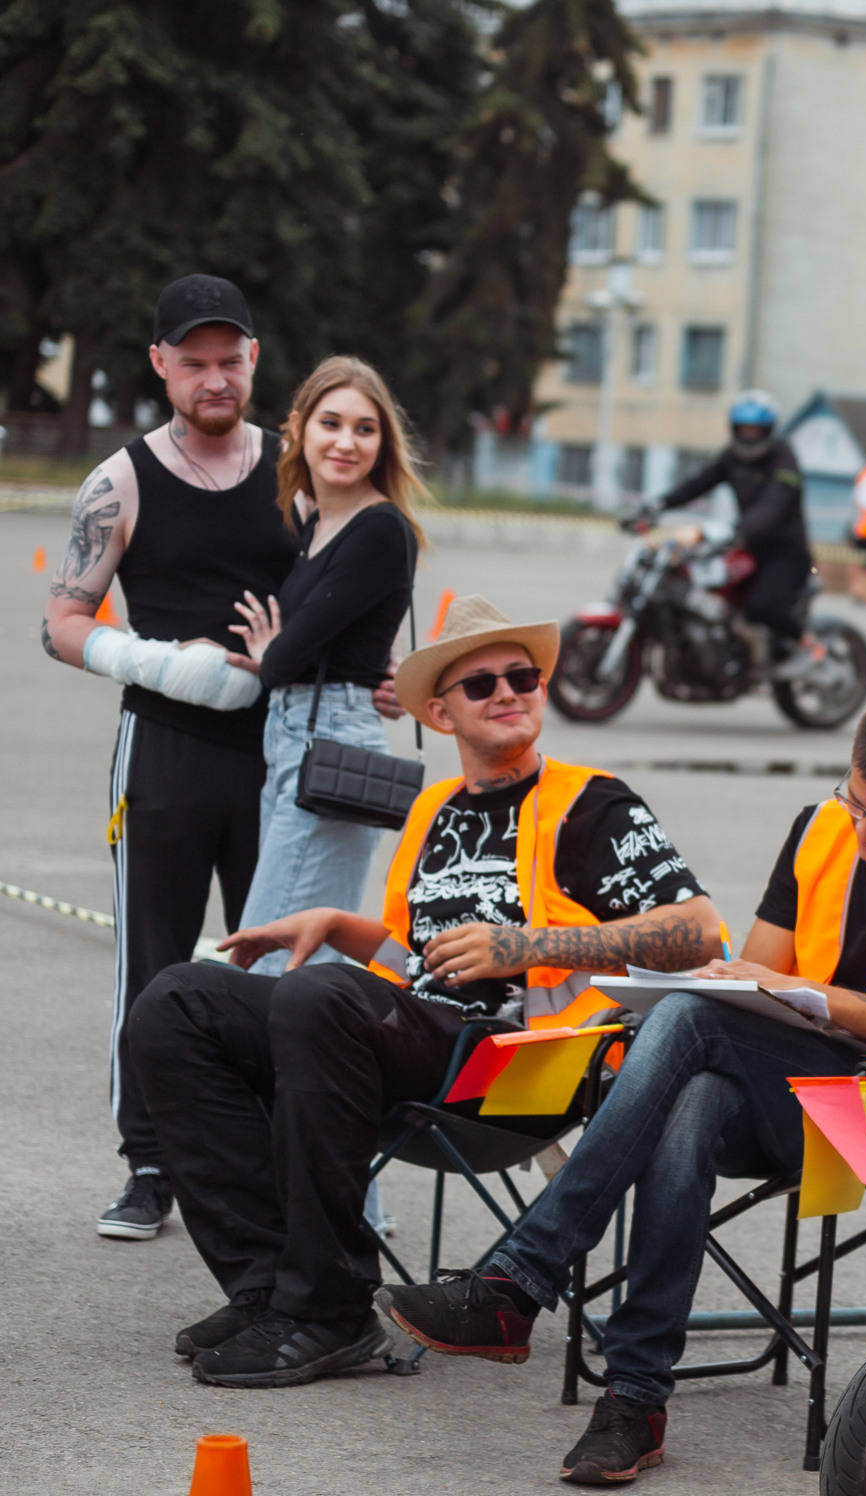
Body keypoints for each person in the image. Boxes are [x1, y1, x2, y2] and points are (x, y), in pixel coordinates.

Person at [378, 689, 866, 1485]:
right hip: (801, 1089)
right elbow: (744, 980)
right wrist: (770, 997)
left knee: (690, 1021)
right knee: (690, 1095)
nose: (864, 830)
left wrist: (816, 1002)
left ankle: (521, 1280)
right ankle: (634, 1396)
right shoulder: (818, 829)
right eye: (854, 802)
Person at [125, 597, 722, 1388]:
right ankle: (269, 1285)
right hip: (417, 1038)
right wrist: (340, 922)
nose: (509, 692)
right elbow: (419, 963)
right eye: (482, 685)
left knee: (320, 998)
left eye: (523, 676)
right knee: (176, 1002)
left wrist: (530, 944)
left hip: (521, 1065)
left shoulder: (592, 802)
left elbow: (701, 931)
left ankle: (330, 1306)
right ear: (441, 713)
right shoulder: (433, 810)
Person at [39, 275, 302, 1242]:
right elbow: (60, 623)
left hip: (282, 754)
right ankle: (149, 1164)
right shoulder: (119, 482)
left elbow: (352, 590)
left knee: (279, 959)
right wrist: (153, 661)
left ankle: (289, 1150)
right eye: (194, 362)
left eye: (229, 361)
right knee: (150, 963)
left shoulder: (297, 472)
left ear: (254, 360)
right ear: (161, 365)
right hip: (166, 747)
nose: (214, 379)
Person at [223, 355, 422, 973]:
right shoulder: (316, 523)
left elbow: (285, 659)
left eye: (365, 429)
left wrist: (267, 653)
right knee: (284, 955)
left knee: (272, 960)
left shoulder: (380, 529)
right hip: (293, 738)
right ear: (300, 430)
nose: (346, 442)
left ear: (383, 444)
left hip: (331, 738)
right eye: (330, 423)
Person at [636, 390, 821, 681]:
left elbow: (774, 503)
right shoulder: (732, 457)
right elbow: (698, 483)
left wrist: (738, 529)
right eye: (743, 429)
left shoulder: (784, 459)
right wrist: (656, 505)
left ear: (768, 430)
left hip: (785, 553)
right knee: (710, 592)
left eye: (755, 430)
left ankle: (808, 644)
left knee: (762, 606)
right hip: (747, 548)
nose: (748, 435)